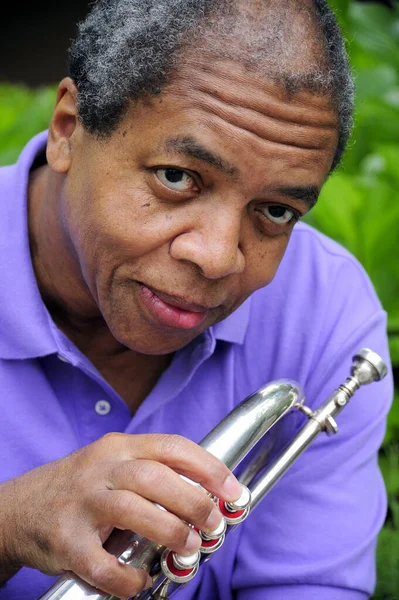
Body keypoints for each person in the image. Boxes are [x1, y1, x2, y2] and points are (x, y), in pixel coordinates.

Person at [0, 0, 393, 598]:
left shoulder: (325, 311)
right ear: (68, 129)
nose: (217, 257)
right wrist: (10, 525)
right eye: (177, 177)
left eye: (277, 212)